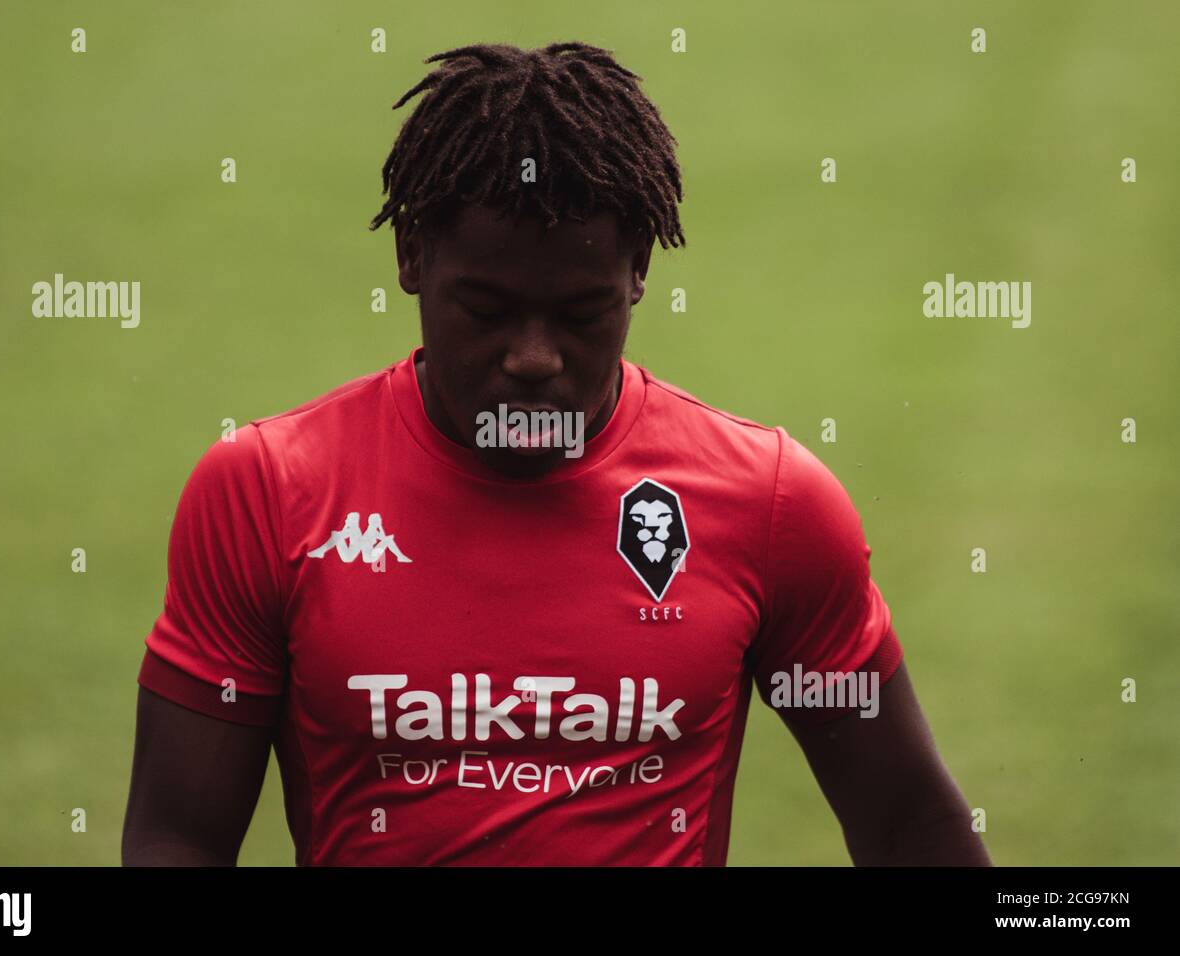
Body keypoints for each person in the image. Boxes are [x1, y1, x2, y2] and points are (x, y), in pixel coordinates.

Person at [122, 42, 990, 866]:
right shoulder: (267, 490)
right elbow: (179, 841)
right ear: (411, 254)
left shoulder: (769, 503)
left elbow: (908, 824)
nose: (534, 359)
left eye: (579, 315)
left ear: (639, 271)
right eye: (487, 309)